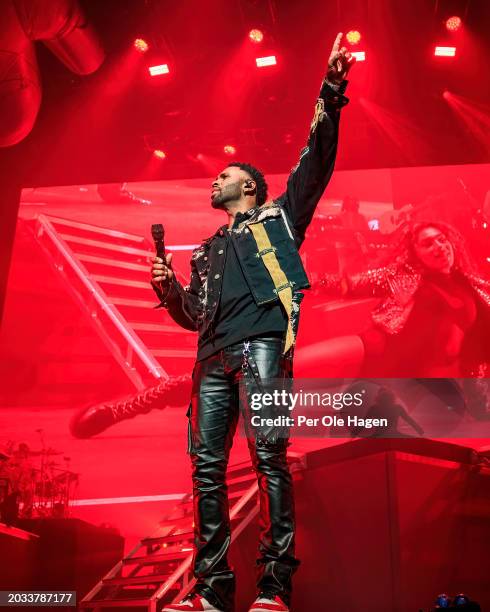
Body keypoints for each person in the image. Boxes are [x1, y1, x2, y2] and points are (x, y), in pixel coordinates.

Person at [150, 33, 355, 612]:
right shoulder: (205, 251)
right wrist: (169, 293)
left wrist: (332, 89)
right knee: (207, 472)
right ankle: (211, 592)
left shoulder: (281, 218)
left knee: (269, 458)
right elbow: (193, 317)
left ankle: (273, 587)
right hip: (210, 359)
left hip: (262, 348)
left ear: (251, 185)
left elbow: (316, 162)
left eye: (225, 175)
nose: (214, 182)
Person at [302, 221, 490, 379]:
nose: (439, 246)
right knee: (295, 365)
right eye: (428, 243)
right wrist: (306, 281)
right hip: (382, 350)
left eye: (442, 240)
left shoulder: (473, 286)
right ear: (415, 252)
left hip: (437, 381)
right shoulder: (401, 275)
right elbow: (350, 284)